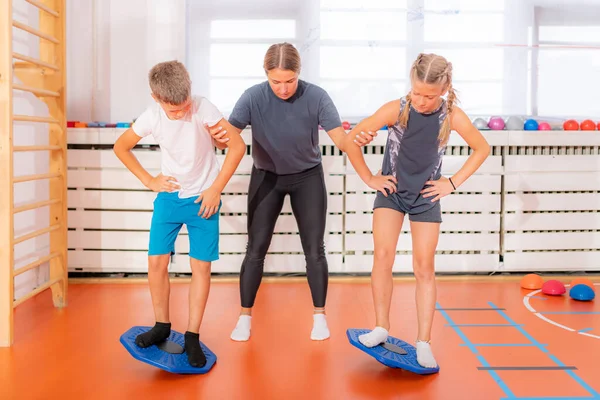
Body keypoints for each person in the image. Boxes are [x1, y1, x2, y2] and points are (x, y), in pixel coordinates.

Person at [207, 42, 375, 342]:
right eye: (276, 82)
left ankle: (320, 317)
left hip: (307, 179)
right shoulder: (252, 97)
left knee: (314, 249)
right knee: (255, 249)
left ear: (299, 73)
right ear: (266, 75)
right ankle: (244, 317)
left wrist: (369, 174)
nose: (283, 88)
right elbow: (228, 140)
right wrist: (216, 138)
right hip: (265, 178)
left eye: (289, 81)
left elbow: (343, 140)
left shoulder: (317, 96)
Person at [343, 53, 490, 368]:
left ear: (445, 89)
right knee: (383, 257)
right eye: (417, 93)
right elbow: (349, 141)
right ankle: (381, 327)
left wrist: (452, 182)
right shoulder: (397, 109)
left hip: (426, 196)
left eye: (429, 95)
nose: (422, 101)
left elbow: (482, 148)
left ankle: (424, 342)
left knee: (424, 267)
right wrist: (370, 177)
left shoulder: (451, 115)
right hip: (392, 193)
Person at [113, 60, 246, 367]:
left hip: (204, 199)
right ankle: (161, 325)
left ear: (190, 88)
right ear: (156, 98)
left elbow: (237, 147)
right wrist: (149, 180)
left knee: (200, 268)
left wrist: (215, 189)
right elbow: (121, 147)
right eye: (174, 110)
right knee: (156, 262)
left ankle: (193, 335)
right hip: (169, 198)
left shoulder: (203, 107)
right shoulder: (152, 117)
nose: (182, 112)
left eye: (185, 105)